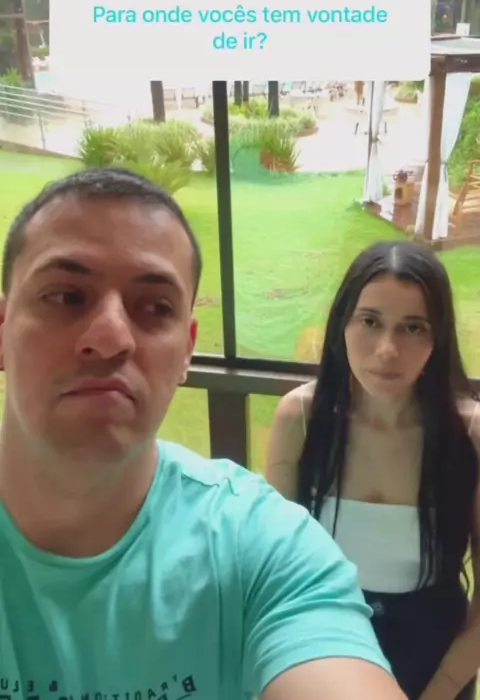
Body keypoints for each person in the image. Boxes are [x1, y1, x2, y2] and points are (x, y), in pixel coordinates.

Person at [0, 168, 406, 700]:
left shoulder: (259, 550)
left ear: (188, 349)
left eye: (156, 308)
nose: (110, 337)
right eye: (66, 296)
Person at [266, 240, 480, 700]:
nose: (387, 349)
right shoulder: (301, 420)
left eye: (413, 328)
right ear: (342, 324)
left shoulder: (470, 435)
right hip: (324, 654)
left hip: (437, 664)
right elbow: (277, 578)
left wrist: (437, 693)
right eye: (370, 321)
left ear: (438, 338)